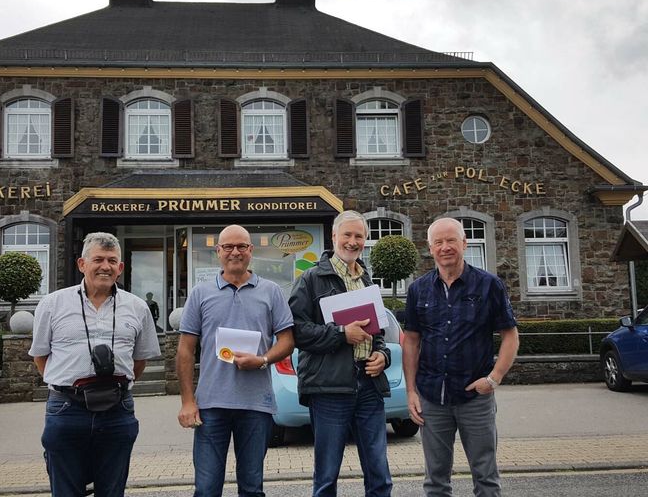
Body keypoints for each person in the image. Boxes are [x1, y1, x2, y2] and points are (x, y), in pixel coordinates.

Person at [29, 232, 161, 497]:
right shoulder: (53, 304)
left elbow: (140, 360)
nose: (105, 266)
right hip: (67, 408)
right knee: (66, 491)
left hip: (118, 409)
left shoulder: (137, 308)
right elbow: (40, 356)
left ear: (120, 267)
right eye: (98, 259)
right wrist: (67, 385)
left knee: (112, 490)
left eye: (112, 261)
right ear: (82, 264)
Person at [403, 217, 519, 497]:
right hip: (432, 397)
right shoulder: (418, 289)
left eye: (451, 240)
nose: (445, 247)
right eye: (438, 242)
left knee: (486, 477)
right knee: (435, 481)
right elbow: (411, 342)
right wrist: (411, 392)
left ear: (464, 244)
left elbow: (510, 335)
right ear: (430, 248)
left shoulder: (489, 285)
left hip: (474, 397)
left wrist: (494, 378)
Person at [176, 224, 295, 497]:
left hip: (256, 404)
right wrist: (187, 401)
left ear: (251, 251)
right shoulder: (200, 293)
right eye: (228, 247)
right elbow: (185, 350)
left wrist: (262, 359)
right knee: (206, 490)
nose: (235, 252)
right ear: (218, 251)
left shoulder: (271, 291)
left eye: (241, 246)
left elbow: (287, 341)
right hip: (210, 405)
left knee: (252, 488)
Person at [289, 210, 394, 497]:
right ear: (333, 237)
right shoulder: (310, 279)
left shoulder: (367, 282)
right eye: (347, 235)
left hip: (369, 385)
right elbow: (296, 331)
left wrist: (383, 356)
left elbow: (378, 334)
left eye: (359, 236)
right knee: (327, 475)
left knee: (379, 473)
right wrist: (340, 333)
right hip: (329, 387)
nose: (352, 241)